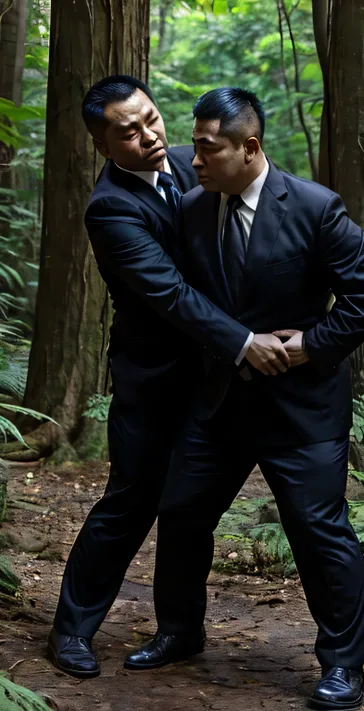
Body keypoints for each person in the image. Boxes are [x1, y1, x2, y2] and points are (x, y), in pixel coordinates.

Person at [125, 88, 364, 711]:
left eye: (208, 149)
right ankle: (180, 631)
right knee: (183, 512)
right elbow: (181, 302)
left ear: (250, 147)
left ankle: (344, 667)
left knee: (318, 530)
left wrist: (306, 347)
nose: (194, 160)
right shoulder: (191, 209)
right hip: (218, 404)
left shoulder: (315, 207)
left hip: (302, 409)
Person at [47, 76, 291, 679]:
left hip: (214, 379)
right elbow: (173, 295)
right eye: (128, 133)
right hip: (153, 380)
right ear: (105, 147)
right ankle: (71, 629)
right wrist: (243, 341)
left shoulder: (190, 161)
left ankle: (181, 628)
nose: (148, 136)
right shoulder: (111, 209)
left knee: (188, 510)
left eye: (151, 119)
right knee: (131, 502)